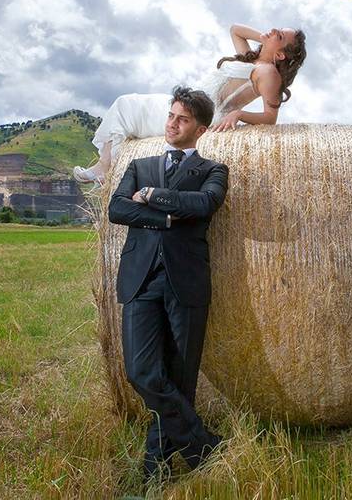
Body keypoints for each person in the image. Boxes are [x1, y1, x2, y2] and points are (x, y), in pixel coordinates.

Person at [107, 86, 229, 484]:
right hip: (141, 280)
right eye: (171, 115)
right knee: (141, 373)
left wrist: (154, 197)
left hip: (186, 284)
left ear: (201, 128)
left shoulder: (213, 171)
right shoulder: (139, 165)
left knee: (179, 379)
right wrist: (167, 217)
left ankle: (153, 474)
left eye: (183, 119)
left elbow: (204, 205)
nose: (172, 123)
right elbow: (117, 209)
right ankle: (204, 447)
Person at [74, 23, 306, 183]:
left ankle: (104, 169)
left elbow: (270, 118)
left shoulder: (268, 73)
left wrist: (239, 115)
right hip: (190, 101)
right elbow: (235, 30)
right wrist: (267, 38)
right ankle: (106, 168)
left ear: (281, 55)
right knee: (126, 104)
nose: (273, 30)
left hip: (200, 112)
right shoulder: (251, 58)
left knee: (126, 105)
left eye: (280, 36)